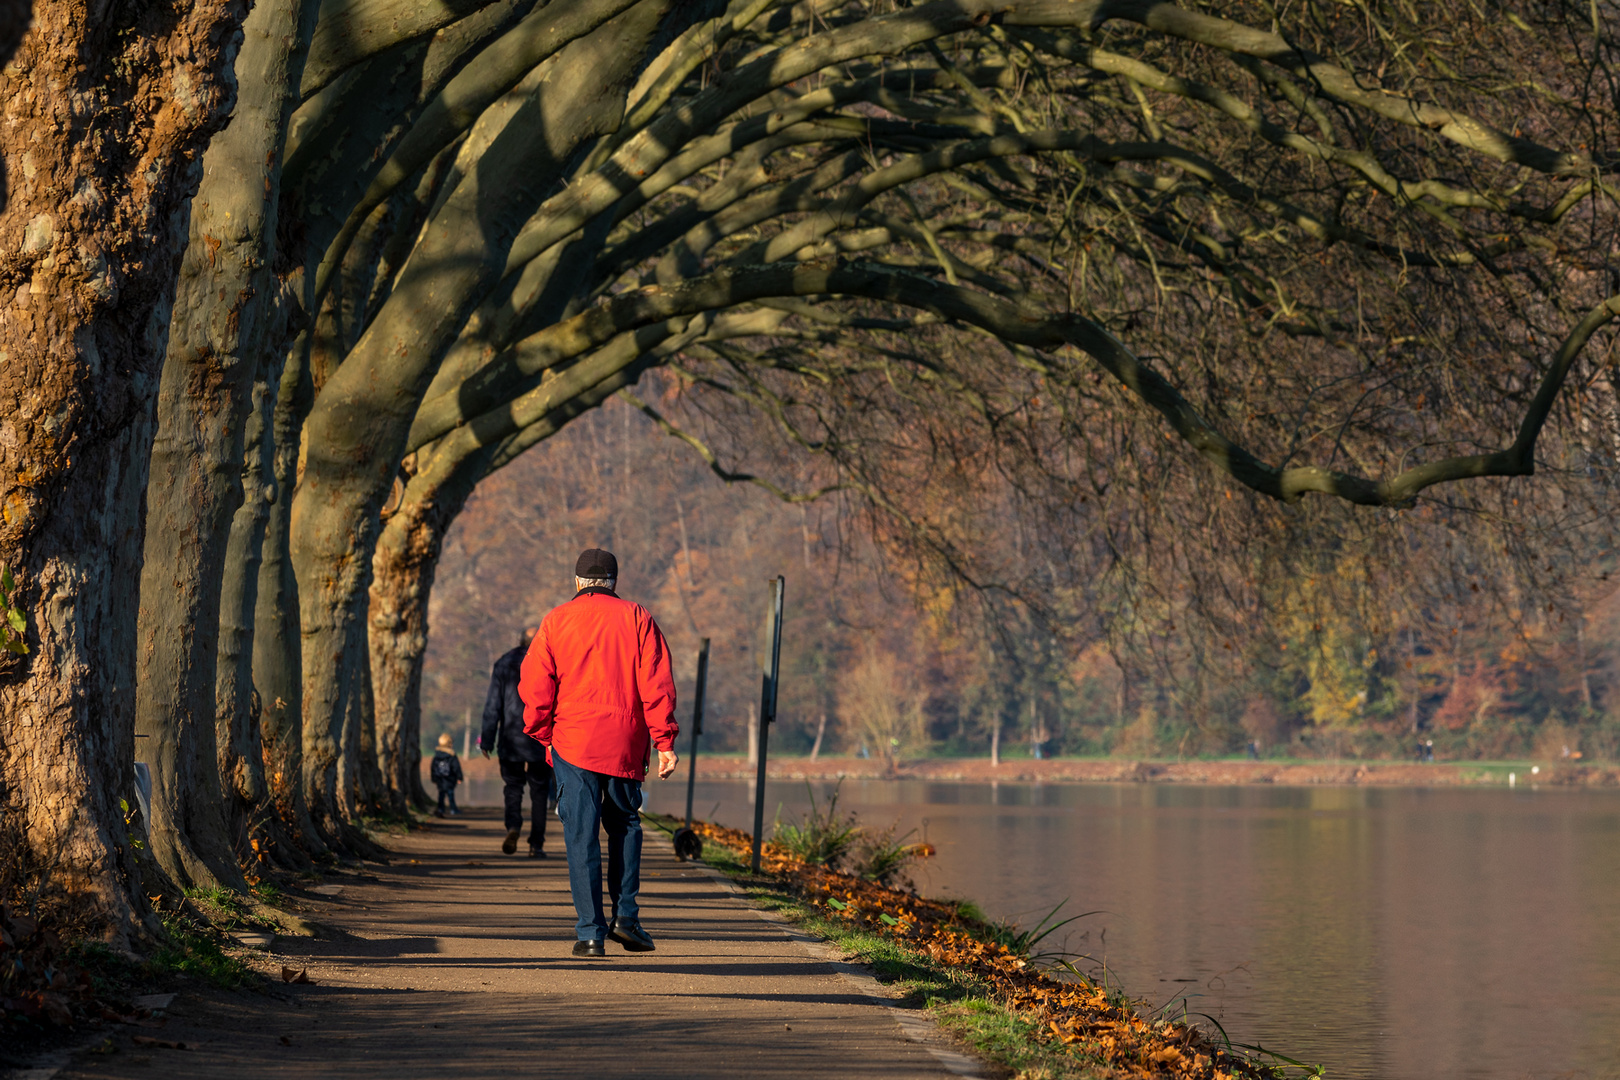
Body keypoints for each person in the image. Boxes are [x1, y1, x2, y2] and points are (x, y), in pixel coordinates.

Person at [520, 548, 678, 959]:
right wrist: (664, 742)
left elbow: (537, 685)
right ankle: (626, 918)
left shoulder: (556, 620)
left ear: (577, 583)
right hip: (625, 740)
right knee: (625, 825)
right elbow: (656, 683)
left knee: (580, 835)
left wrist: (542, 734)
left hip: (573, 742)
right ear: (613, 581)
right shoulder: (638, 617)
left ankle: (590, 933)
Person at [481, 628, 553, 858]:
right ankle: (536, 844)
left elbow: (493, 705)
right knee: (539, 791)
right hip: (540, 738)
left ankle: (513, 825)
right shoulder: (549, 662)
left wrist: (487, 739)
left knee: (513, 787)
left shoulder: (503, 663)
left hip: (511, 738)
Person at [430, 733, 464, 817]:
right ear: (449, 744)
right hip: (450, 779)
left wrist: (433, 778)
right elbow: (456, 767)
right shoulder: (451, 755)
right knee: (450, 795)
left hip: (440, 779)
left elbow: (433, 767)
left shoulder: (437, 755)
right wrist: (459, 777)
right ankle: (453, 809)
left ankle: (441, 809)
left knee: (441, 795)